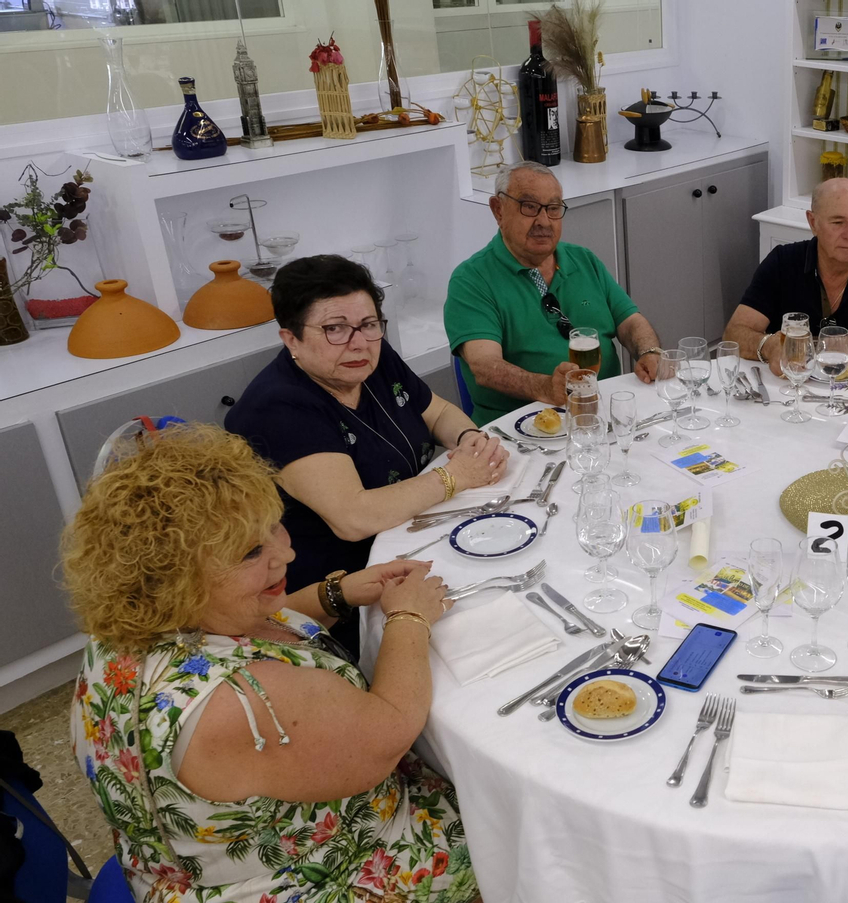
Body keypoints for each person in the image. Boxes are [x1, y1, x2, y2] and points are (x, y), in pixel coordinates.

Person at [64, 425, 477, 902]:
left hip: (188, 858)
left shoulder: (129, 627)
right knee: (510, 819)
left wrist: (335, 593)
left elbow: (254, 633)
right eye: (251, 552)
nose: (287, 553)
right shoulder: (237, 702)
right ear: (178, 579)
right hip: (319, 875)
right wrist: (409, 618)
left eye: (274, 525)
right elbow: (388, 733)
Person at [226, 255, 508, 653]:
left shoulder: (369, 359)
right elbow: (353, 518)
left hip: (418, 536)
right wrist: (455, 477)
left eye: (368, 324)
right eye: (334, 329)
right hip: (343, 592)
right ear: (291, 338)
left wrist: (468, 438)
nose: (358, 341)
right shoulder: (277, 408)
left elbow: (438, 412)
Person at [446, 161, 663, 423]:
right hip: (520, 429)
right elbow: (485, 367)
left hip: (603, 413)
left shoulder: (583, 259)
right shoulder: (471, 279)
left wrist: (649, 351)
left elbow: (630, 322)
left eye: (553, 208)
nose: (543, 221)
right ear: (498, 210)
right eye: (529, 207)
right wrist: (545, 387)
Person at [723, 178, 848, 374]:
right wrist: (769, 346)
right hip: (786, 388)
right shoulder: (782, 261)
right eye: (838, 223)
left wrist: (809, 348)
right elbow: (734, 334)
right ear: (813, 222)